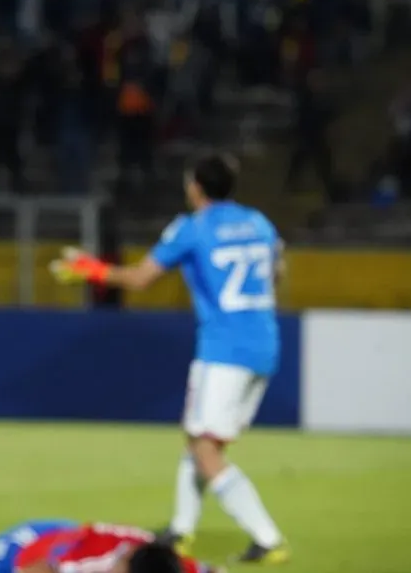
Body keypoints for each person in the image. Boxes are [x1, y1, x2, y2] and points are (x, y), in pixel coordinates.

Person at [48, 154, 289, 565]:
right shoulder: (259, 223)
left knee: (206, 450)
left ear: (196, 187)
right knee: (198, 440)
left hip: (223, 349)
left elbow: (142, 278)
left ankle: (267, 537)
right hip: (264, 343)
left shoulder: (191, 228)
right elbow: (278, 270)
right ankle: (180, 530)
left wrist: (93, 270)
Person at [0, 520, 224, 573]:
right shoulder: (87, 565)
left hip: (74, 536)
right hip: (29, 547)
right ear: (126, 558)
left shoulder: (168, 565)